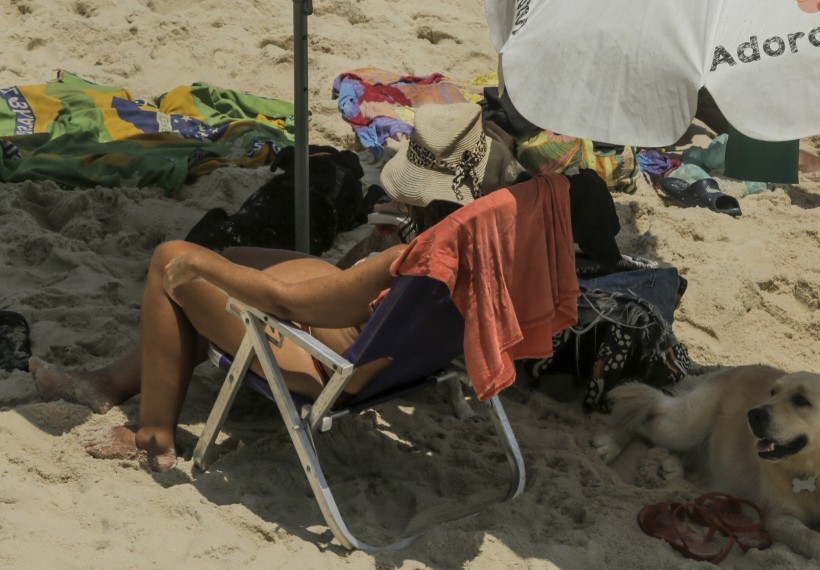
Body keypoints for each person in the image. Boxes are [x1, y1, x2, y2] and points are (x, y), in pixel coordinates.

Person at [29, 102, 511, 471]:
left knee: (175, 261)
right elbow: (357, 291)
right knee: (229, 261)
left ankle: (153, 437)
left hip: (327, 367)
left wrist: (203, 266)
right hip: (380, 353)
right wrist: (378, 239)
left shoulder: (402, 261)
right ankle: (109, 383)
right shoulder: (480, 241)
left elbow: (287, 302)